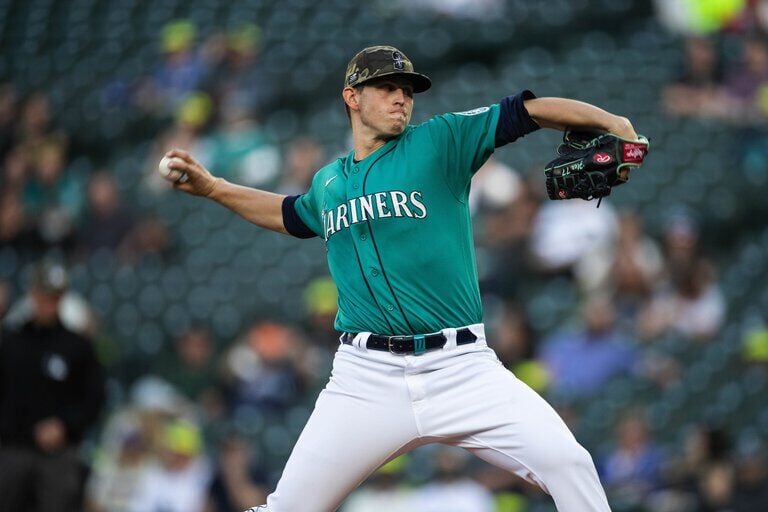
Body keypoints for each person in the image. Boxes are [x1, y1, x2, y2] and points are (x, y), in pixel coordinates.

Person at [164, 45, 647, 511]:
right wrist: (214, 188)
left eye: (408, 90)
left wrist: (610, 122)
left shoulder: (441, 141)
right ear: (352, 97)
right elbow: (291, 214)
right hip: (365, 379)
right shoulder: (329, 182)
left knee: (569, 464)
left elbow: (531, 112)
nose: (401, 98)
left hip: (462, 369)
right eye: (387, 87)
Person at [0, 261, 105, 512]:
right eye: (44, 295)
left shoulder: (78, 346)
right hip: (12, 447)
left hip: (58, 453)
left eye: (55, 297)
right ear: (32, 294)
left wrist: (65, 425)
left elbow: (94, 398)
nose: (49, 303)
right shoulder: (9, 342)